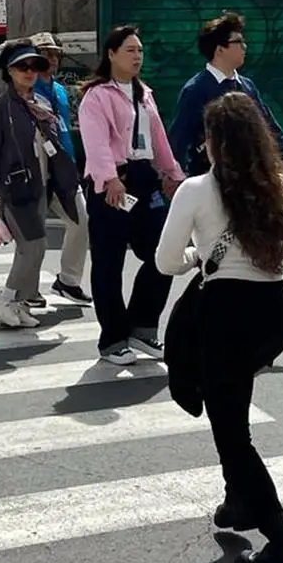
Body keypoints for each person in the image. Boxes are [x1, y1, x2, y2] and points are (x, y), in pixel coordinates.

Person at [156, 91, 283, 563]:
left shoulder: (195, 190)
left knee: (233, 433)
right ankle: (238, 500)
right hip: (273, 316)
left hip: (225, 316)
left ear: (215, 142)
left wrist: (197, 259)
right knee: (232, 410)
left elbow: (164, 261)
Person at [77, 24, 185, 365]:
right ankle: (112, 339)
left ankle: (142, 326)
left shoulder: (144, 94)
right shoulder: (97, 95)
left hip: (143, 178)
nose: (137, 56)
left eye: (139, 50)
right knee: (108, 263)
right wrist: (109, 179)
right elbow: (94, 142)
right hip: (112, 183)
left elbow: (159, 138)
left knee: (163, 254)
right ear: (111, 55)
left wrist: (173, 174)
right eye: (130, 50)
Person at [0, 40, 82, 329]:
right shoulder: (2, 107)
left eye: (34, 66)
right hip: (15, 188)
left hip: (41, 184)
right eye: (21, 66)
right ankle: (7, 297)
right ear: (9, 71)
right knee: (33, 246)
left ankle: (21, 303)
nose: (29, 71)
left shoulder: (36, 105)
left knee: (32, 248)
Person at [167, 12, 283, 178]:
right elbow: (180, 136)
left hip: (249, 177)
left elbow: (267, 124)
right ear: (220, 50)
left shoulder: (246, 86)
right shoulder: (196, 89)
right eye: (238, 42)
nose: (245, 46)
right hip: (210, 178)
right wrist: (173, 174)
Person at [31, 31, 91, 303]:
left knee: (81, 221)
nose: (51, 59)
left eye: (54, 53)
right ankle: (25, 289)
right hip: (38, 169)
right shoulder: (26, 89)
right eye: (45, 54)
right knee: (30, 236)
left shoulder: (58, 89)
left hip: (65, 167)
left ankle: (68, 280)